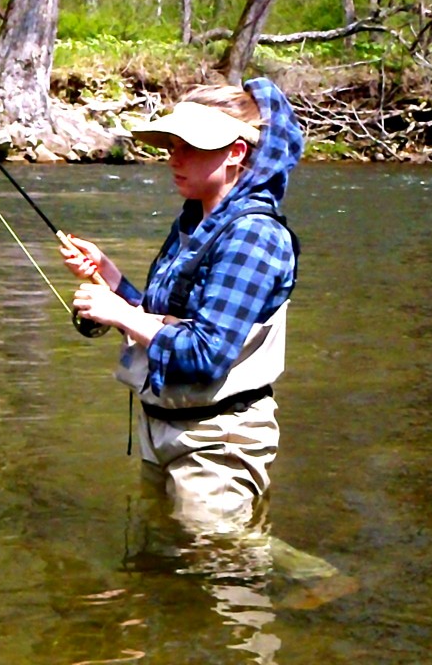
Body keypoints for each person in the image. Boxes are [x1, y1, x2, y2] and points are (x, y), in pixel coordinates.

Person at [61, 76, 303, 532]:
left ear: (236, 153)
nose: (174, 158)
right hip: (165, 424)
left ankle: (296, 573)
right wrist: (111, 279)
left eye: (190, 146)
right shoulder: (196, 220)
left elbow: (204, 354)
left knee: (217, 570)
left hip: (217, 438)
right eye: (172, 144)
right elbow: (170, 319)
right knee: (166, 551)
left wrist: (119, 313)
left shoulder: (253, 236)